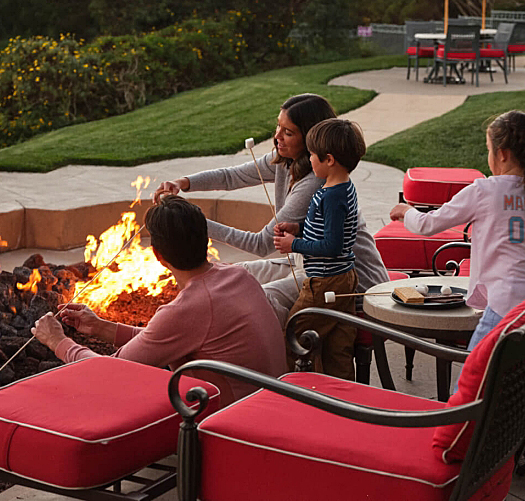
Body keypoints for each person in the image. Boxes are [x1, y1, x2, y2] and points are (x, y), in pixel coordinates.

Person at [154, 93, 388, 327]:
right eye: (278, 126)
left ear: (311, 140)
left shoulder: (314, 183)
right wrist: (183, 183)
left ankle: (279, 358)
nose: (277, 137)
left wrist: (191, 222)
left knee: (258, 297)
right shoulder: (285, 159)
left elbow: (260, 244)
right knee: (229, 276)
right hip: (306, 264)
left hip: (345, 281)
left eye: (288, 132)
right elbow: (232, 176)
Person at [31, 195, 286, 407]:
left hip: (237, 424)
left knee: (111, 398)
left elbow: (108, 373)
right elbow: (162, 338)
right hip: (277, 400)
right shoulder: (237, 276)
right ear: (206, 239)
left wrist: (58, 342)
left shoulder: (190, 307)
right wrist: (101, 327)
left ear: (157, 255)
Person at [390, 110, 525, 351]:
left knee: (472, 381)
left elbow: (429, 224)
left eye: (488, 149)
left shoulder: (485, 191)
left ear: (502, 154)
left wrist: (406, 212)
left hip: (503, 304)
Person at [273, 119, 366, 379]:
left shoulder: (333, 197)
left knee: (294, 336)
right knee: (337, 348)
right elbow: (326, 229)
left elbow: (332, 245)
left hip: (325, 283)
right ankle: (339, 397)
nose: (309, 159)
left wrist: (294, 244)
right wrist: (298, 228)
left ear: (329, 159)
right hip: (343, 278)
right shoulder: (340, 187)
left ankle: (296, 390)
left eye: (312, 155)